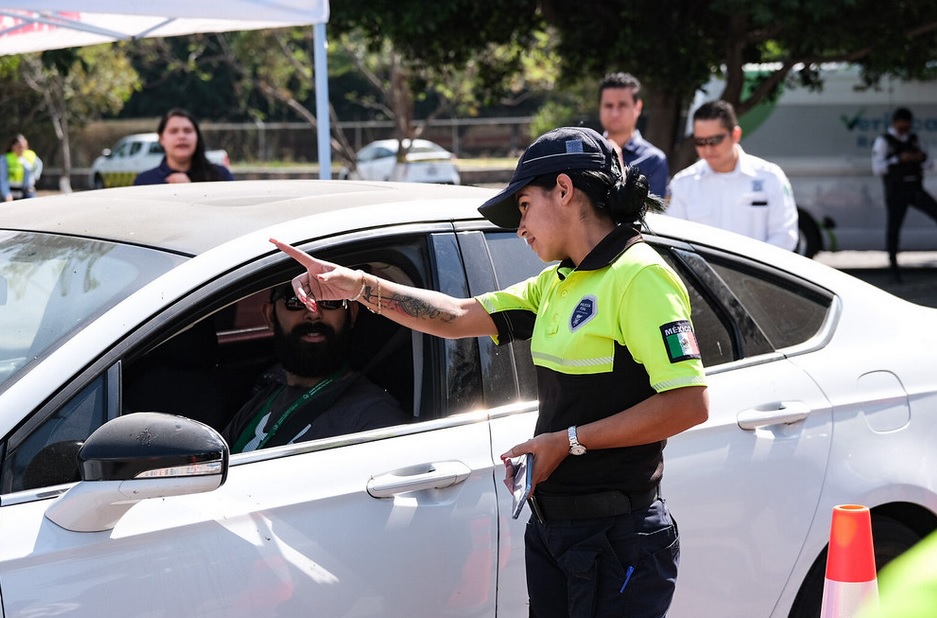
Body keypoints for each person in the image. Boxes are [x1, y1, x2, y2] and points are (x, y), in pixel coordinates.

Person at [271, 126, 710, 617]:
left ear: (564, 190)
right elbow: (456, 317)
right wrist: (357, 286)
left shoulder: (639, 275)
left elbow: (689, 403)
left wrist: (568, 441)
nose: (520, 228)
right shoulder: (556, 283)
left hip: (617, 537)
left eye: (524, 206)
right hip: (556, 531)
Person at [221, 282, 408, 452]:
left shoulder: (373, 417)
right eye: (296, 300)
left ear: (351, 313)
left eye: (329, 300)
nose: (313, 313)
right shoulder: (260, 403)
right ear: (270, 316)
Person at [667, 100, 799, 251]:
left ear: (735, 135)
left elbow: (784, 236)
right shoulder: (683, 183)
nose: (708, 149)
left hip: (756, 266)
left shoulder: (770, 177)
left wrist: (750, 264)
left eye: (715, 140)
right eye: (700, 142)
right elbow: (675, 239)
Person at [871, 107, 937, 281]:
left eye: (907, 126)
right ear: (894, 123)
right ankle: (893, 268)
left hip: (915, 189)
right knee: (894, 228)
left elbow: (930, 163)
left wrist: (919, 157)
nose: (904, 130)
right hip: (896, 191)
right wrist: (899, 159)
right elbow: (877, 168)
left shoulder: (914, 140)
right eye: (901, 126)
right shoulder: (884, 141)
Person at [599, 72, 670, 198]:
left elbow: (650, 210)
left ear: (638, 107)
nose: (614, 113)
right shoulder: (586, 152)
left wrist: (617, 161)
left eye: (622, 105)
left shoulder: (653, 160)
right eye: (608, 106)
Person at [133, 108, 234, 185]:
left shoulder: (220, 176)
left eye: (188, 131)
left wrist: (189, 189)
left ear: (197, 136)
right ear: (161, 139)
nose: (181, 136)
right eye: (173, 131)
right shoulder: (145, 181)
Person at [2, 134, 42, 201]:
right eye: (19, 146)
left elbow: (39, 165)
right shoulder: (5, 159)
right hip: (11, 191)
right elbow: (3, 179)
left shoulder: (31, 156)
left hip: (27, 191)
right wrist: (7, 194)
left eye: (24, 147)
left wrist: (35, 178)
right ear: (12, 146)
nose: (22, 149)